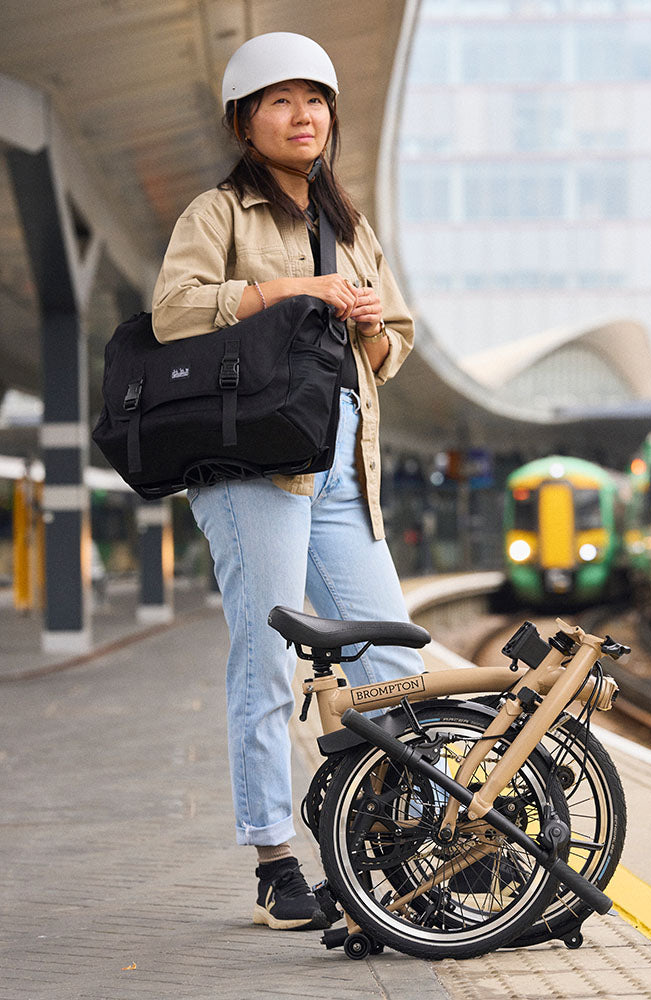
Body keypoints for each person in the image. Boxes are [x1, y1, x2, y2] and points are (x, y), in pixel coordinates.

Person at [151, 32, 424, 931]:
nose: (303, 115)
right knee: (263, 658)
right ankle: (275, 861)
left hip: (346, 468)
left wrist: (374, 324)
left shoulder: (352, 224)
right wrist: (297, 291)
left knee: (391, 658)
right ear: (244, 120)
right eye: (279, 100)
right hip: (254, 469)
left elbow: (389, 353)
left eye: (315, 99)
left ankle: (385, 839)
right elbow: (175, 311)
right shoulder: (219, 213)